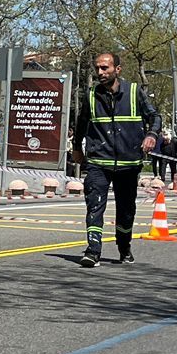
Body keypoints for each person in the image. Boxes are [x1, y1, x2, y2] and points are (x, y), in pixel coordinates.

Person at [70, 51, 162, 267]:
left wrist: (151, 135)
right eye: (97, 68)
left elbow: (155, 117)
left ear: (117, 70)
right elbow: (82, 123)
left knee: (126, 210)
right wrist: (76, 148)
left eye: (105, 68)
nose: (100, 72)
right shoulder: (91, 95)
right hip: (98, 162)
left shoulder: (134, 91)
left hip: (128, 164)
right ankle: (93, 251)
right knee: (94, 205)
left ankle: (124, 246)